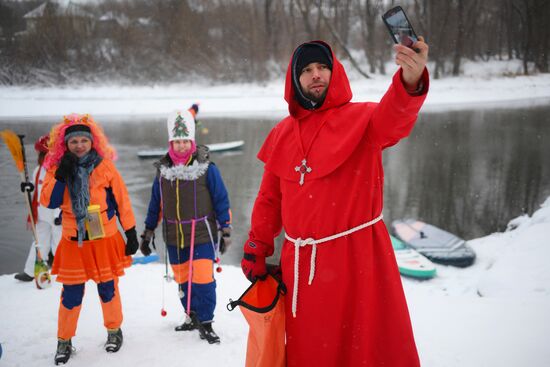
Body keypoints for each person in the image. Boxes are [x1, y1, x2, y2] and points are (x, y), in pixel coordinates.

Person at [240, 38, 429, 366]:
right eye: (308, 70)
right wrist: (257, 245)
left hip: (357, 259)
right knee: (312, 350)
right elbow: (269, 199)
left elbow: (395, 119)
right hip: (301, 268)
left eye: (323, 67)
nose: (316, 75)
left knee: (364, 346)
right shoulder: (282, 133)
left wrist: (409, 82)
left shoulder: (365, 120)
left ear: (335, 72)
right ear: (295, 81)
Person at [40, 114, 139, 365]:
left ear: (93, 142)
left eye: (84, 140)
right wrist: (62, 177)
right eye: (74, 141)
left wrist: (130, 232)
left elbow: (122, 200)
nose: (80, 145)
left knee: (108, 289)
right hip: (74, 241)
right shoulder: (56, 168)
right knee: (71, 294)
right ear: (66, 144)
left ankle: (114, 331)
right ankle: (64, 340)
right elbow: (48, 201)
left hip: (104, 237)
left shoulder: (104, 166)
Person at [140, 107, 232, 344]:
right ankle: (191, 316)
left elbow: (221, 200)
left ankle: (207, 322)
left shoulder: (207, 169)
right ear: (171, 143)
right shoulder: (162, 173)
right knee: (182, 279)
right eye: (177, 141)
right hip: (174, 235)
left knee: (202, 279)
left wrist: (226, 228)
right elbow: (155, 203)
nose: (181, 146)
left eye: (185, 141)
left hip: (202, 233)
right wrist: (148, 231)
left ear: (192, 141)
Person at [14, 134, 62, 282]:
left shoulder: (60, 170)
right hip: (41, 214)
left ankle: (64, 272)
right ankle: (30, 272)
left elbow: (62, 194)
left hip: (57, 215)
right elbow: (35, 190)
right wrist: (27, 187)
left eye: (46, 153)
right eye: (42, 153)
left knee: (59, 245)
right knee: (39, 242)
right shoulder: (38, 170)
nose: (44, 156)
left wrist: (57, 215)